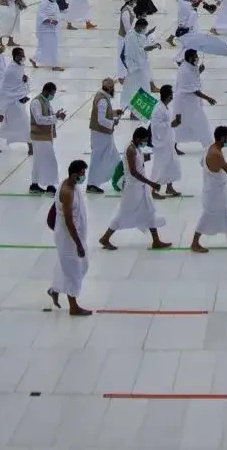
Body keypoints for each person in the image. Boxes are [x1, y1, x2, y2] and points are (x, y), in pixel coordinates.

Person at [99, 126, 170, 250]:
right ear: (137, 139)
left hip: (141, 187)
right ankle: (105, 238)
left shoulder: (136, 147)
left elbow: (138, 162)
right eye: (144, 140)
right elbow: (133, 172)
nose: (145, 142)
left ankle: (156, 241)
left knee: (150, 211)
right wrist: (151, 183)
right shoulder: (131, 149)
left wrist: (146, 157)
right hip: (132, 189)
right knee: (123, 214)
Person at [48, 159, 92, 315]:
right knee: (73, 270)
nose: (83, 176)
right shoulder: (67, 191)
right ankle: (73, 306)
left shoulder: (73, 185)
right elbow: (68, 221)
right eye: (82, 173)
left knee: (81, 265)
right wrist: (78, 244)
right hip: (68, 238)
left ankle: (55, 288)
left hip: (77, 235)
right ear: (74, 175)